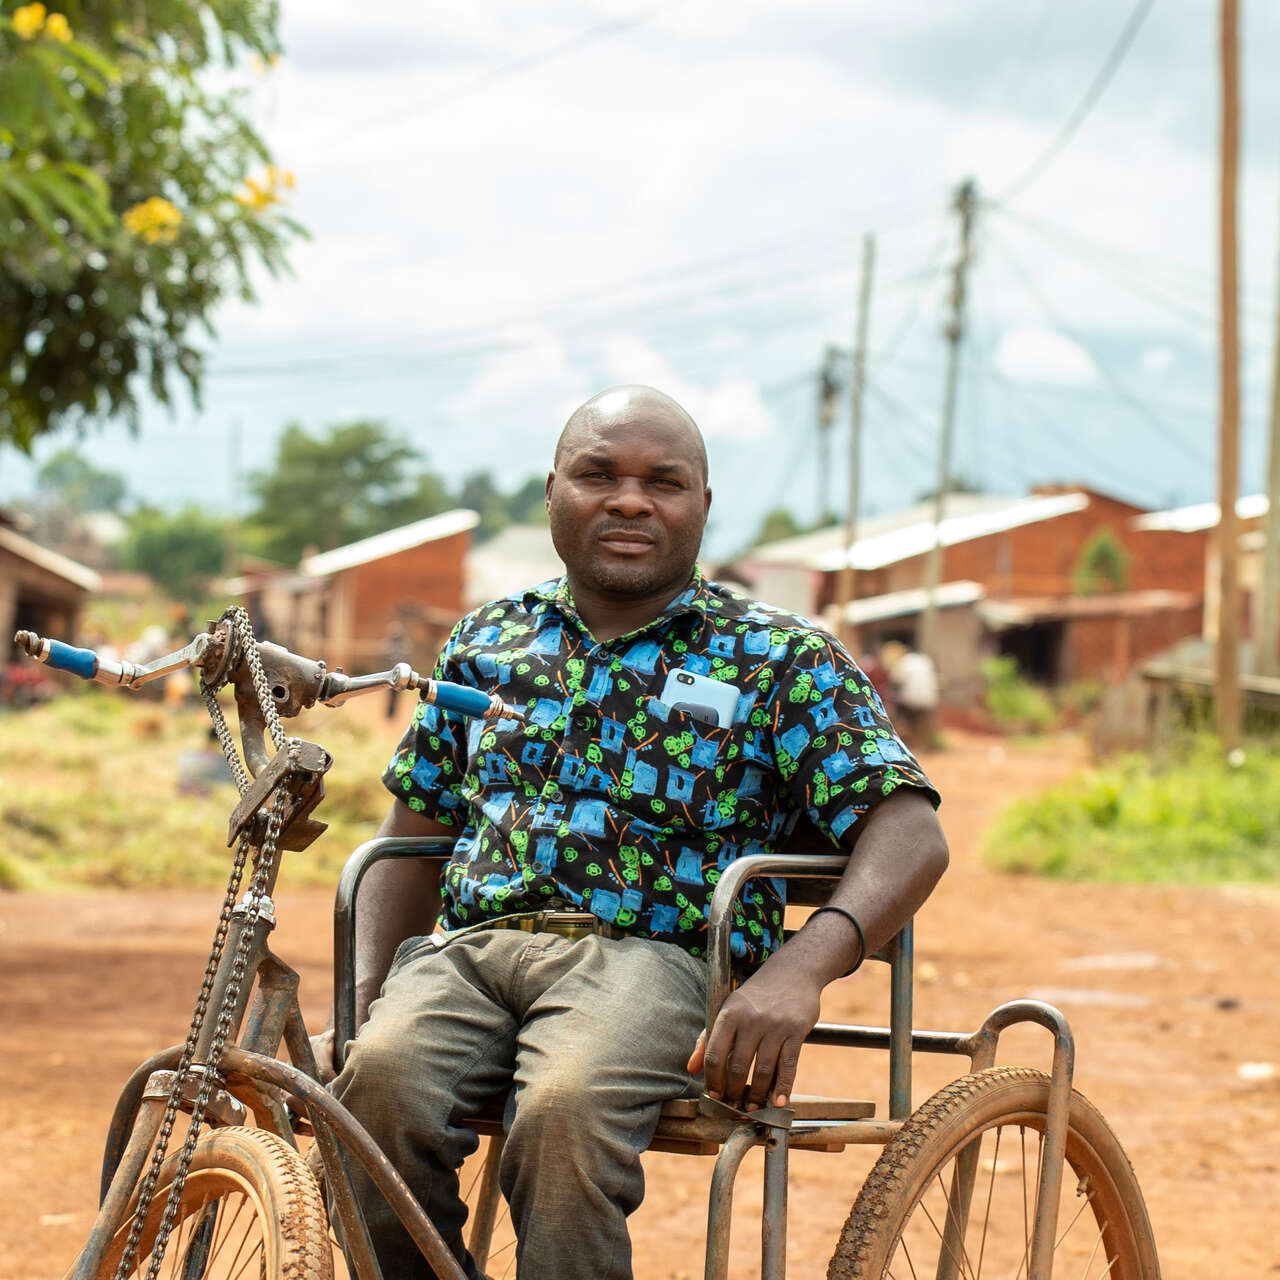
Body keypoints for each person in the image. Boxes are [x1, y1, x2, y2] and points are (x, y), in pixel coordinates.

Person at [326, 386, 949, 1280]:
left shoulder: (778, 657)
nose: (628, 500)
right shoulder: (487, 641)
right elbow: (412, 827)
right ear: (551, 493)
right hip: (469, 950)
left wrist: (801, 968)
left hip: (654, 959)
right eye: (598, 474)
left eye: (664, 481)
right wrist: (364, 993)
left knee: (564, 1111)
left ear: (702, 505)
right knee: (368, 1094)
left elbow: (911, 832)